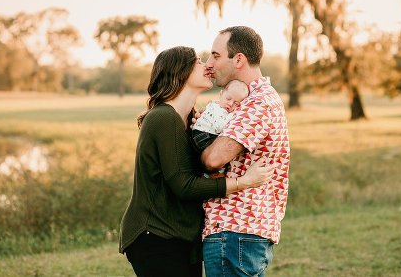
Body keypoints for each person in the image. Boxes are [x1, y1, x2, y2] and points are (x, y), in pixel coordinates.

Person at [119, 46, 274, 277]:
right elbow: (184, 185)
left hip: (180, 237)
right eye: (198, 62)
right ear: (180, 71)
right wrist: (242, 182)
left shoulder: (192, 119)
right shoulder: (163, 118)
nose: (207, 65)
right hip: (155, 235)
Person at [199, 26, 291, 277]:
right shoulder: (250, 100)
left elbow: (213, 158)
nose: (209, 63)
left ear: (238, 59)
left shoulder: (257, 103)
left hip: (235, 230)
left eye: (216, 56)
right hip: (239, 233)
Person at [191, 79, 250, 154]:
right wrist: (233, 115)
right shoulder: (218, 109)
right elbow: (220, 128)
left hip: (200, 135)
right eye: (228, 98)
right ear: (221, 94)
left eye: (236, 104)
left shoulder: (214, 104)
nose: (230, 104)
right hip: (204, 137)